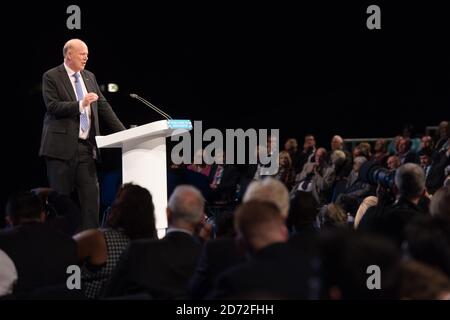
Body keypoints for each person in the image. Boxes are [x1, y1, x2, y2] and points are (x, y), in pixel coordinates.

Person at [39, 39, 126, 231]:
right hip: (59, 149)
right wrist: (81, 104)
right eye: (82, 53)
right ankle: (61, 245)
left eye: (87, 54)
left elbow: (103, 107)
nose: (86, 57)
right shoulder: (51, 76)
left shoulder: (89, 77)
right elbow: (52, 106)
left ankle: (91, 244)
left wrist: (125, 133)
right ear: (69, 54)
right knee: (60, 201)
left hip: (85, 149)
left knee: (91, 200)